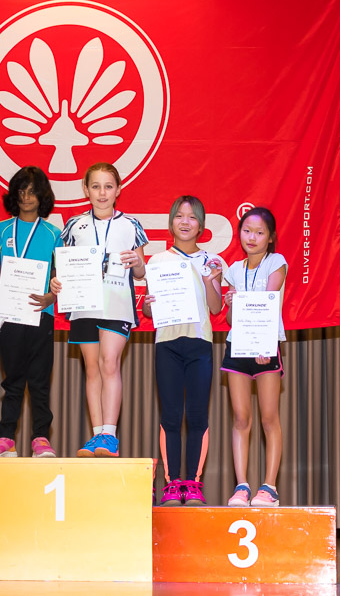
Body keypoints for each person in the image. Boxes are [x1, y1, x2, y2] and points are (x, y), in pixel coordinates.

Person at [52, 162, 148, 458]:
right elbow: (63, 267)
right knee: (92, 368)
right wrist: (56, 281)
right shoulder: (74, 225)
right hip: (83, 304)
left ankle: (110, 434)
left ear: (118, 190)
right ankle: (96, 436)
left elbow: (141, 272)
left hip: (117, 304)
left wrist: (137, 262)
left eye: (108, 186)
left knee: (109, 363)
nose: (102, 192)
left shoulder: (130, 224)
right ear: (86, 190)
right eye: (95, 186)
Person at [142, 196, 225, 506]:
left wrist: (208, 280)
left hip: (200, 343)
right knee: (171, 415)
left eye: (192, 217)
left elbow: (215, 308)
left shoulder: (212, 261)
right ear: (171, 222)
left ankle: (193, 482)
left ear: (201, 225)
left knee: (198, 415)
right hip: (167, 344)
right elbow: (149, 312)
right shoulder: (157, 261)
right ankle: (172, 482)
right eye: (179, 216)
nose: (185, 221)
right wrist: (147, 305)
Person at [0, 167, 62, 458]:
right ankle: (5, 438)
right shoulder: (1, 230)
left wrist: (51, 296)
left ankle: (41, 437)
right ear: (14, 195)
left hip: (42, 312)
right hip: (10, 314)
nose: (26, 197)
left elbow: (59, 274)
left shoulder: (54, 233)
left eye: (32, 191)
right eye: (21, 191)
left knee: (39, 380)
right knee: (12, 379)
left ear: (43, 196)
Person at [222, 206, 287, 508]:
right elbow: (230, 319)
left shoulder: (276, 262)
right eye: (247, 231)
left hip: (265, 346)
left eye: (260, 233)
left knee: (269, 417)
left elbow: (268, 303)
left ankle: (269, 488)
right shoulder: (234, 270)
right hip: (237, 346)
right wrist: (231, 302)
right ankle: (242, 487)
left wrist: (263, 342)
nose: (252, 237)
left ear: (270, 237)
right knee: (240, 418)